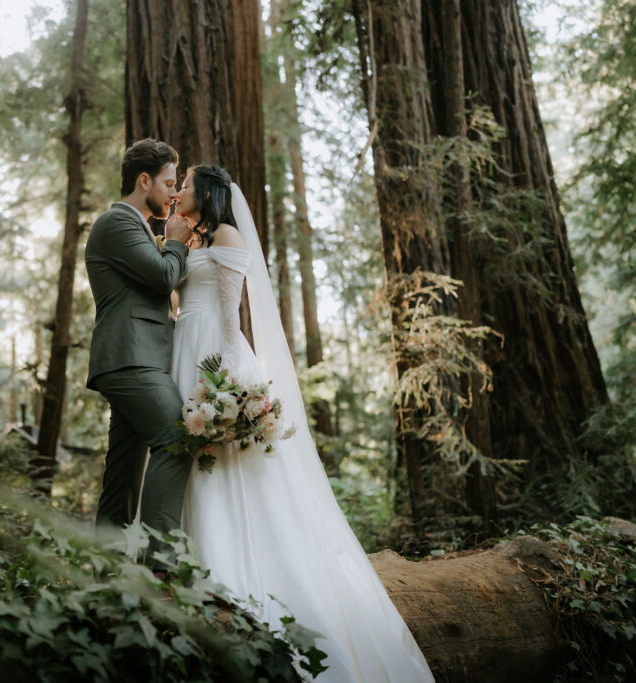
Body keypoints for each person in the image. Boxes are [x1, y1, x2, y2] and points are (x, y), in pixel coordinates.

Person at [169, 165, 435, 682]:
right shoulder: (189, 236)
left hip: (212, 356)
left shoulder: (226, 233)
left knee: (225, 469)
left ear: (206, 193)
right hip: (182, 350)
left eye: (185, 184)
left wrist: (224, 382)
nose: (177, 191)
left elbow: (230, 314)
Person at [84, 138, 195, 567]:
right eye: (168, 182)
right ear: (143, 180)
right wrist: (177, 241)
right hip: (130, 357)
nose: (173, 192)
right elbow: (163, 276)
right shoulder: (117, 224)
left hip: (139, 357)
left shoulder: (139, 229)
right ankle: (161, 568)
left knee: (124, 472)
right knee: (176, 438)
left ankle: (107, 577)